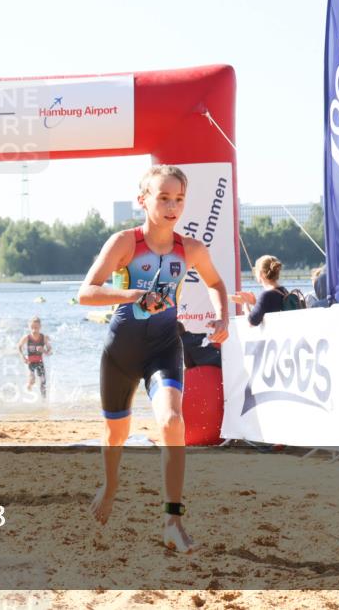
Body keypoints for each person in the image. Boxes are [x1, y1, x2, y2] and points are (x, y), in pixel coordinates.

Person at [77, 165, 229, 554]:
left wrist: (222, 316)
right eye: (163, 197)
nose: (172, 206)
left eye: (178, 198)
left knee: (173, 422)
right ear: (142, 199)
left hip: (164, 348)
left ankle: (173, 521)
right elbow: (87, 292)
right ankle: (110, 485)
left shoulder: (191, 249)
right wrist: (133, 296)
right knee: (116, 435)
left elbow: (216, 283)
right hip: (120, 353)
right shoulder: (124, 243)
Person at [230, 255, 291, 326]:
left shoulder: (266, 295)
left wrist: (245, 303)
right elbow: (271, 307)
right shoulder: (284, 291)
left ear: (261, 273)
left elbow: (251, 322)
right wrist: (255, 302)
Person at [17, 317, 52, 397]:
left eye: (36, 328)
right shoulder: (27, 337)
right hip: (30, 363)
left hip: (40, 362)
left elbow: (50, 351)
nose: (34, 330)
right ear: (29, 327)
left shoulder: (43, 338)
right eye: (32, 328)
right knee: (32, 380)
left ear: (40, 327)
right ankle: (29, 386)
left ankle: (44, 401)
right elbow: (19, 346)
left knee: (43, 382)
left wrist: (44, 350)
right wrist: (22, 356)